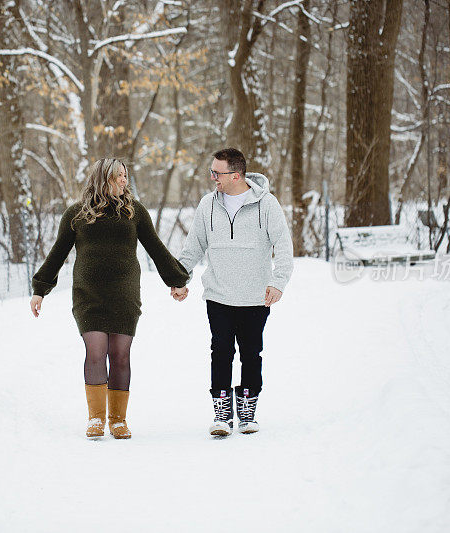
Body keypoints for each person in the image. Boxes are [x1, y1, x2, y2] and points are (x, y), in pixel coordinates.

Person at [30, 158, 189, 439]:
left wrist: (176, 280)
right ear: (103, 178)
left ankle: (118, 420)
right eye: (118, 176)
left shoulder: (134, 212)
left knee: (120, 355)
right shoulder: (76, 214)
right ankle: (95, 418)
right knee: (95, 351)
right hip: (89, 294)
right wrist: (40, 288)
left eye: (125, 176)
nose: (124, 181)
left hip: (125, 293)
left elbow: (155, 247)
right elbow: (57, 253)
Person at [172, 147, 293, 436]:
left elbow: (284, 246)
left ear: (235, 175)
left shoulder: (267, 204)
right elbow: (194, 247)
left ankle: (248, 409)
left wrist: (278, 282)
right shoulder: (207, 205)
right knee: (221, 351)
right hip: (219, 294)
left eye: (217, 172)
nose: (212, 176)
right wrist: (180, 279)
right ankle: (222, 412)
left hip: (255, 296)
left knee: (252, 353)